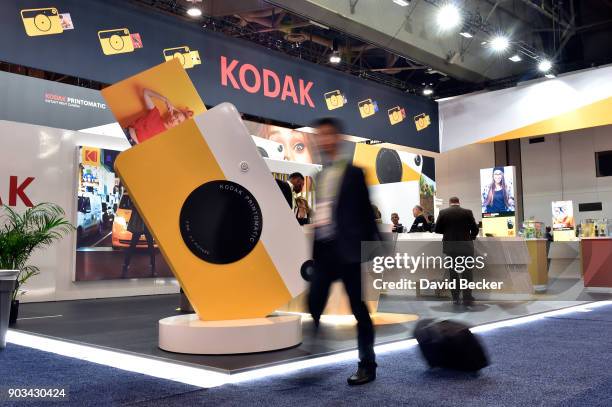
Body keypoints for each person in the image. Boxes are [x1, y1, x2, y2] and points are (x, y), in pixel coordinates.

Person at [308, 117, 379, 385]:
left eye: (327, 135)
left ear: (337, 138)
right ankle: (315, 349)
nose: (322, 140)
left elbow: (365, 211)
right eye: (319, 135)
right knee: (313, 302)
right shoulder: (320, 174)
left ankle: (367, 365)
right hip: (325, 252)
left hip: (348, 252)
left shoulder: (354, 173)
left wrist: (374, 249)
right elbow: (323, 214)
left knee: (358, 310)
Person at [434, 197, 479, 306]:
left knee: (453, 273)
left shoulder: (443, 212)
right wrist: (470, 237)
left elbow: (437, 230)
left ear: (450, 203)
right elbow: (475, 229)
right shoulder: (467, 212)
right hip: (466, 247)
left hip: (451, 248)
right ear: (459, 202)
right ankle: (467, 296)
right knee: (467, 272)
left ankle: (455, 297)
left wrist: (448, 231)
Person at [126, 88, 194, 145]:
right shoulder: (155, 114)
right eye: (176, 116)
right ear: (172, 113)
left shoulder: (167, 137)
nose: (174, 120)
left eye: (178, 121)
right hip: (125, 134)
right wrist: (166, 100)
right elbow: (146, 92)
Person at [122, 208, 156, 278]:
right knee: (148, 246)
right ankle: (125, 266)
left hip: (142, 224)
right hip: (141, 224)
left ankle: (125, 266)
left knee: (149, 247)